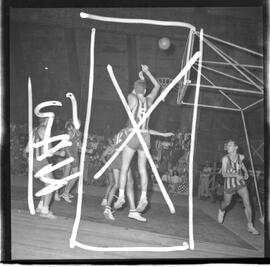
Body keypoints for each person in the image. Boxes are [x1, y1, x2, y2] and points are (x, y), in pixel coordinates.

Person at [113, 64, 161, 212]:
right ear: (145, 91)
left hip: (132, 134)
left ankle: (121, 196)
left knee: (125, 167)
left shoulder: (131, 98)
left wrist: (139, 81)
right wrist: (147, 73)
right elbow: (158, 86)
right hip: (145, 135)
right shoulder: (150, 100)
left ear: (135, 89)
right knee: (142, 169)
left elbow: (136, 90)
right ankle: (144, 198)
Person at [217, 140, 259, 235]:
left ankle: (250, 225)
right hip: (229, 184)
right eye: (227, 145)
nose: (228, 147)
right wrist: (235, 175)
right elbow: (223, 173)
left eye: (230, 145)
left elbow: (241, 164)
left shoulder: (241, 157)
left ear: (236, 148)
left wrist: (246, 171)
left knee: (247, 203)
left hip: (240, 183)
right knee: (226, 203)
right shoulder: (225, 159)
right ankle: (221, 210)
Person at [24, 117, 62, 219]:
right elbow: (49, 151)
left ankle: (40, 207)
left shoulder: (35, 129)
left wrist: (30, 161)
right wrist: (60, 153)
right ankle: (45, 211)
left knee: (48, 183)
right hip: (39, 161)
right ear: (47, 120)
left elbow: (27, 148)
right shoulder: (46, 130)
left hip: (33, 160)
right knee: (51, 185)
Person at [60, 121, 82, 203]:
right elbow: (66, 147)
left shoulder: (79, 133)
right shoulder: (70, 132)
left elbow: (79, 145)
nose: (78, 124)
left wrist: (83, 148)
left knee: (74, 176)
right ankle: (59, 192)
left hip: (75, 155)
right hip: (70, 156)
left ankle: (65, 192)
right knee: (66, 176)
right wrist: (71, 157)